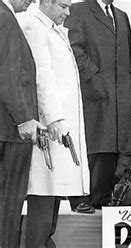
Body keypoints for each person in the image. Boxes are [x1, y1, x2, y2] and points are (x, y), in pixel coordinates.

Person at [18, 0, 91, 246]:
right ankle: (38, 243)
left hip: (61, 127)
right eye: (63, 6)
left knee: (55, 188)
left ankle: (45, 241)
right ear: (46, 2)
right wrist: (54, 118)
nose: (68, 12)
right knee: (43, 189)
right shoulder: (33, 26)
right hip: (49, 126)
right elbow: (42, 75)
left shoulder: (51, 28)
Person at [64, 0, 131, 212]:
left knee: (112, 147)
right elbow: (73, 48)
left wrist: (129, 79)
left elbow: (128, 56)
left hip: (119, 95)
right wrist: (94, 76)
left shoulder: (121, 15)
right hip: (92, 94)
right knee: (91, 144)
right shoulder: (78, 10)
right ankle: (81, 198)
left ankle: (102, 197)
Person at [0, 0, 44, 246]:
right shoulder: (4, 17)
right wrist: (24, 118)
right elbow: (8, 75)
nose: (32, 1)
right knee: (7, 209)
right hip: (8, 131)